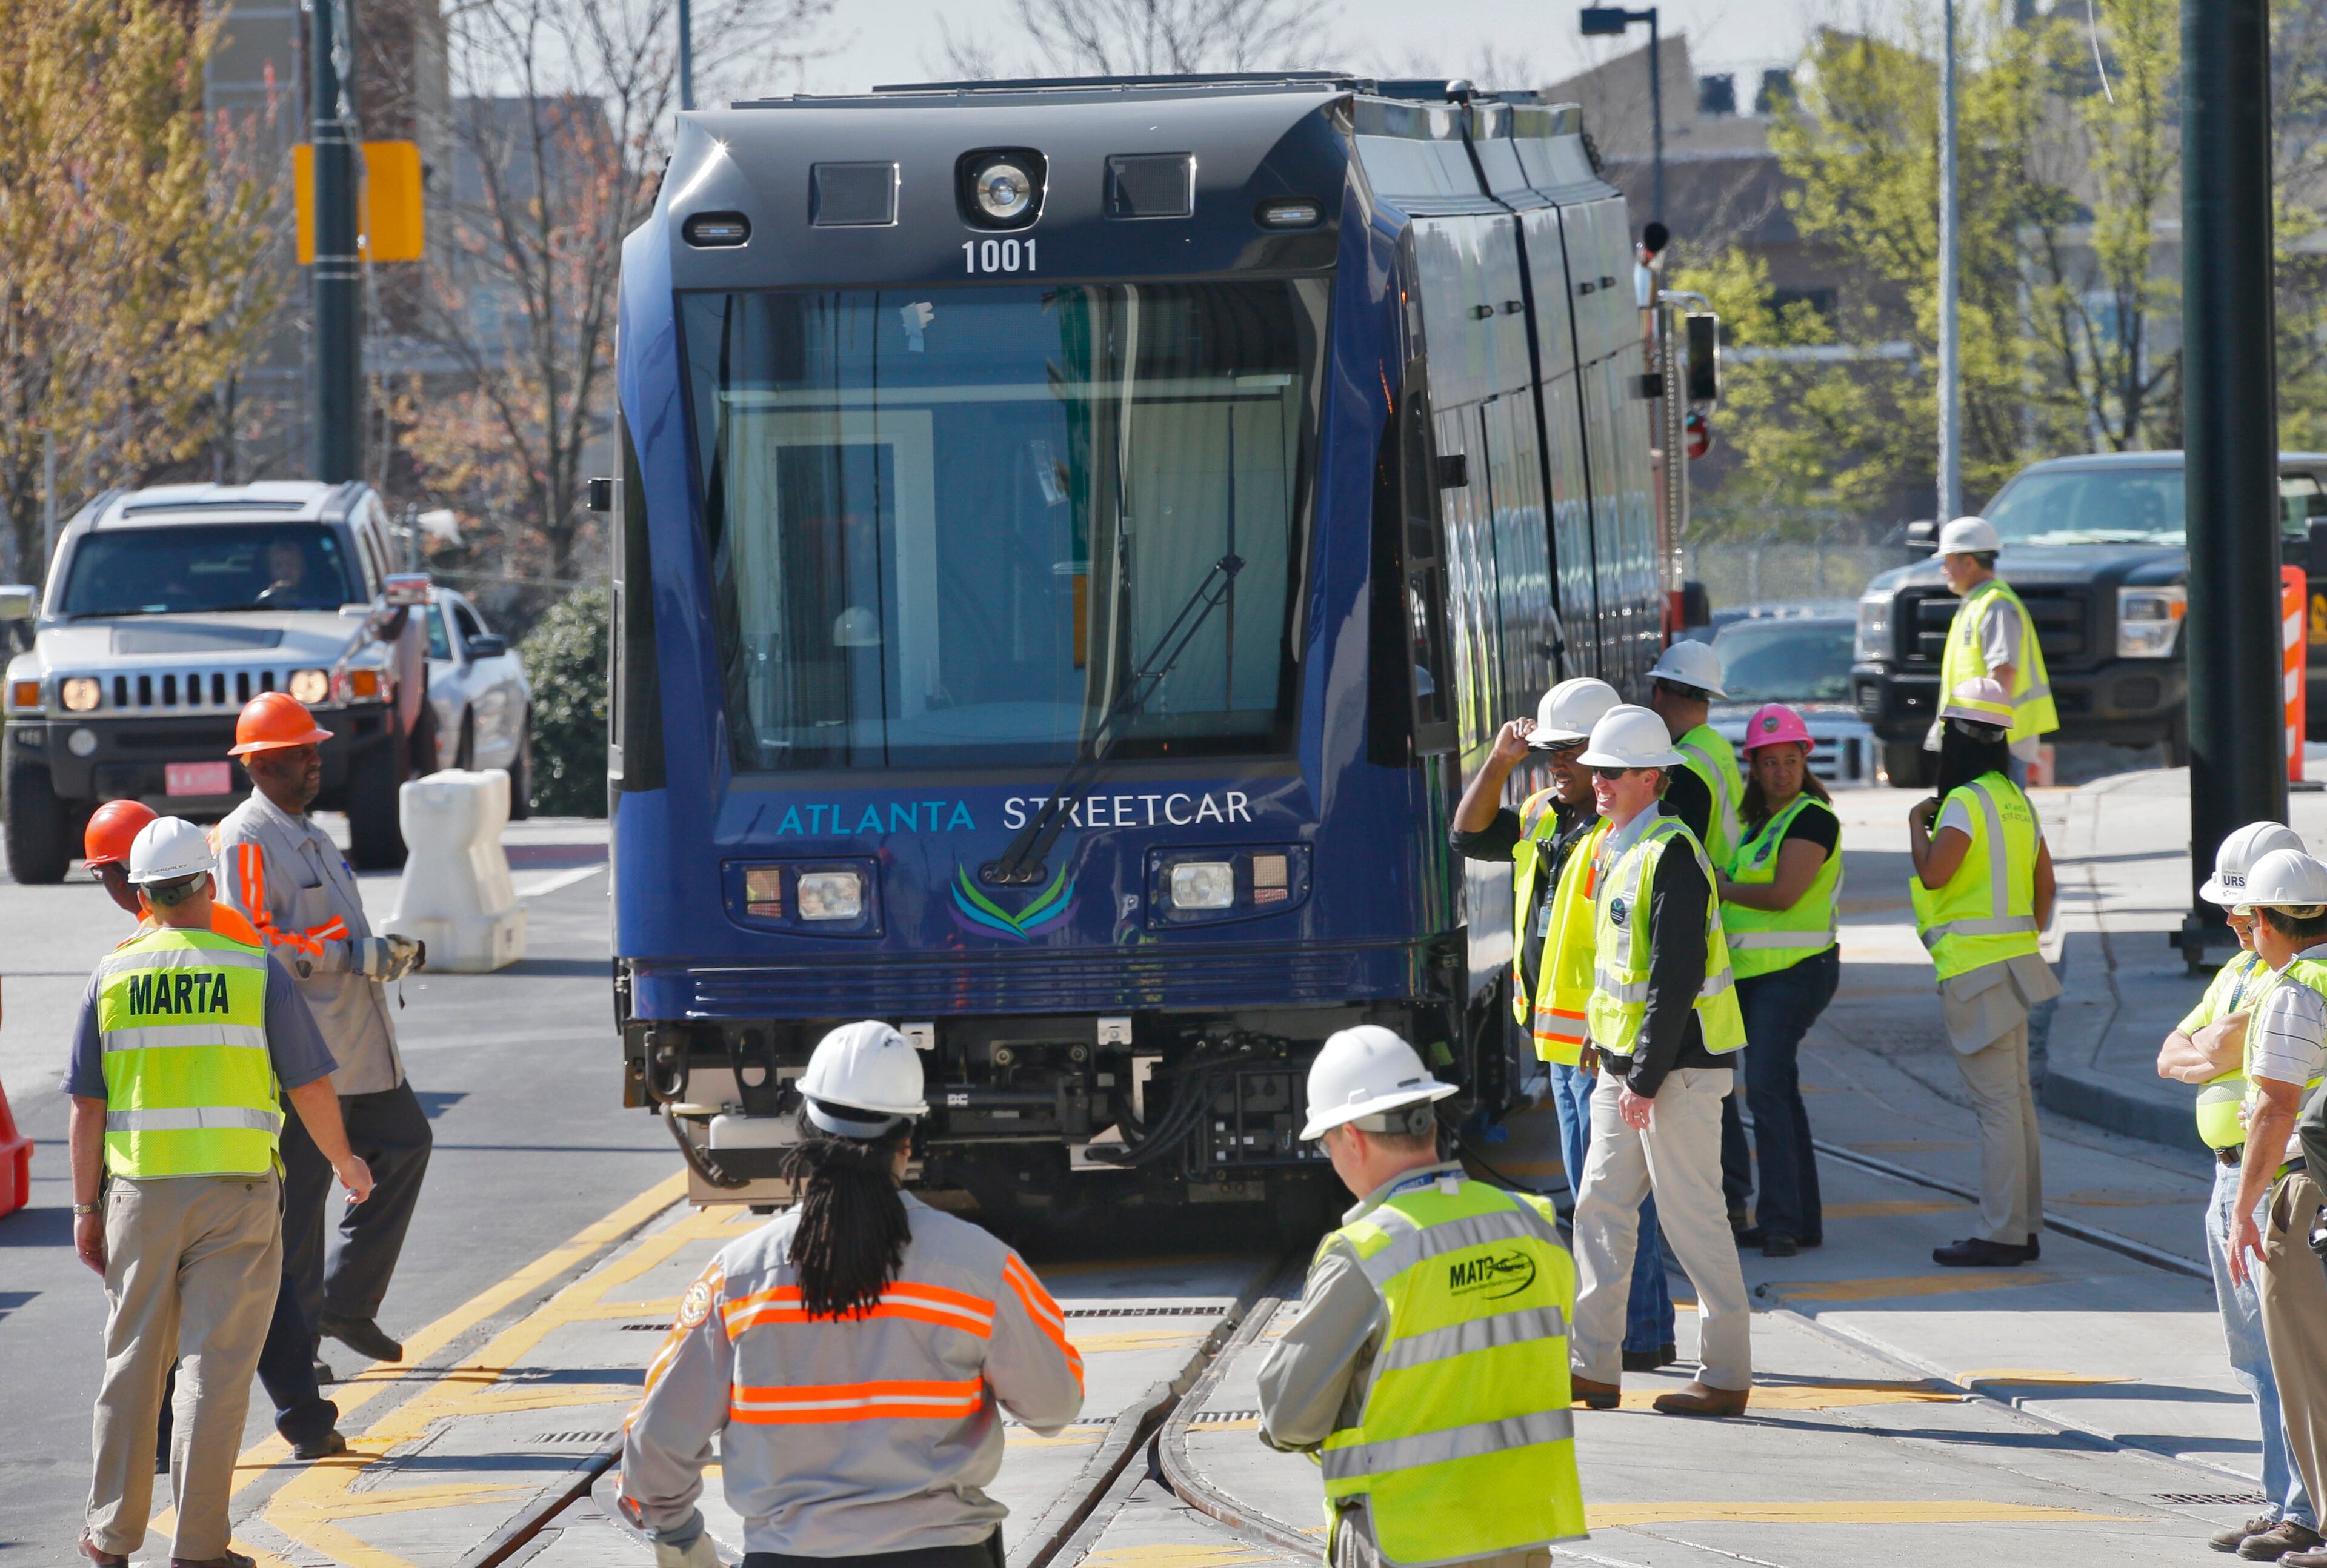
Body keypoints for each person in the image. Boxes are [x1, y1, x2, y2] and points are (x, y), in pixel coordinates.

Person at [619, 1021, 1085, 1566]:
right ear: (908, 1141)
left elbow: (658, 1443)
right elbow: (1055, 1406)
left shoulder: (740, 1277)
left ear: (804, 1131)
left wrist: (677, 1531)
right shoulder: (981, 1266)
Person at [67, 817, 373, 1568]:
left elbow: (87, 1105)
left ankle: (110, 1539)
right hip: (236, 1194)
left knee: (132, 1363)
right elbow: (307, 1080)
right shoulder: (253, 969)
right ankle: (199, 1547)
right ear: (207, 883)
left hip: (139, 1193)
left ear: (141, 895)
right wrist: (345, 1160)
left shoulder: (112, 974)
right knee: (213, 1370)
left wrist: (84, 1208)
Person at [1256, 1026, 1584, 1568]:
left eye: (1326, 1143)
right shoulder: (1533, 1224)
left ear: (1353, 1139)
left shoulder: (1365, 1255)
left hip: (1408, 1539)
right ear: (1427, 1121)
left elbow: (1289, 1418)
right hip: (1521, 1535)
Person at [1447, 676, 1677, 1371]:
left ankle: (1635, 1333)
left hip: (1596, 1042)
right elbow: (1466, 833)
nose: (1558, 765)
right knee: (1595, 1196)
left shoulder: (1623, 834)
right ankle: (1637, 1328)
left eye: (1570, 752)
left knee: (1606, 1197)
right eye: (1552, 752)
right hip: (1556, 1037)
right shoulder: (1545, 814)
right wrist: (1498, 762)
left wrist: (1610, 1043)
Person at [213, 691, 426, 1371]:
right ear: (262, 763)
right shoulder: (247, 838)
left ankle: (348, 1303)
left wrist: (378, 948)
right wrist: (346, 954)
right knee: (297, 1215)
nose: (314, 761)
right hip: (306, 1057)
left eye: (314, 750)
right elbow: (256, 942)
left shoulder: (313, 831)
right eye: (301, 752)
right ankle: (296, 1353)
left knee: (407, 1142)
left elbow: (331, 926)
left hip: (361, 1045)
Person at [1565, 703, 1754, 1418]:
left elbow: (1675, 979)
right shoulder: (1618, 847)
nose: (1598, 783)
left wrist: (1641, 1077)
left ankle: (1727, 1374)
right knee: (1600, 1210)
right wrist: (1604, 1041)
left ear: (1652, 778)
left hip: (1675, 1069)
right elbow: (1621, 969)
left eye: (1612, 773)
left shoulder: (1671, 853)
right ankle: (1593, 1368)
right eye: (1596, 771)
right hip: (1632, 1065)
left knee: (1693, 1217)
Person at [2157, 823, 2317, 1560]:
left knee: (2294, 1351)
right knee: (2259, 1354)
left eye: (2242, 911)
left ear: (2272, 913)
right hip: (2234, 1173)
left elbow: (2266, 1094)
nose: (2228, 921)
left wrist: (2213, 1053)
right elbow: (2174, 1051)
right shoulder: (2241, 973)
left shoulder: (2292, 983)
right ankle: (2283, 1497)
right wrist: (2208, 1055)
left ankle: (2305, 1508)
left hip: (2277, 1179)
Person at [1909, 677, 2060, 1267]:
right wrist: (2021, 933)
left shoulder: (1965, 801)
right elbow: (2045, 884)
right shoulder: (2015, 798)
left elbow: (1937, 873)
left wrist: (1914, 826)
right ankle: (2022, 1225)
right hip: (2016, 964)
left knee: (1998, 1107)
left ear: (1953, 737)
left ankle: (2001, 1232)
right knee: (2016, 1102)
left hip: (1977, 972)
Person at [2224, 849, 2327, 1568]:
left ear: (2264, 921)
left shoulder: (2294, 991)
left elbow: (2274, 1107)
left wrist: (2244, 1207)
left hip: (2308, 1186)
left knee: (2310, 1362)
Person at [1712, 703, 1842, 1258]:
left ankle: (1782, 1222)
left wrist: (1723, 887)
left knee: (1765, 1088)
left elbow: (1785, 894)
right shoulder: (1759, 827)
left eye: (1791, 761)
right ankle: (1798, 1219)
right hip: (1761, 976)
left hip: (1794, 973)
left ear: (1804, 763)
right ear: (1754, 768)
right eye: (1770, 763)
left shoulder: (1812, 818)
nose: (1781, 772)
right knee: (1777, 1092)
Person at [1923, 516, 2057, 786]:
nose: (1943, 570)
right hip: (1982, 740)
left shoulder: (1995, 606)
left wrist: (1981, 737)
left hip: (1995, 744)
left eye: (1947, 561)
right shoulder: (1978, 604)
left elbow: (2003, 672)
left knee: (1995, 823)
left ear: (1969, 562)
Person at [1642, 640, 1742, 868]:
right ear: (1707, 699)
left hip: (1710, 895)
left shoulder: (1682, 764)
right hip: (1729, 886)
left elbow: (1679, 854)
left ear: (1657, 693)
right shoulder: (1716, 745)